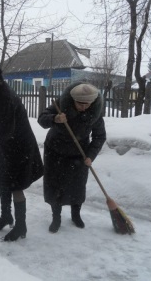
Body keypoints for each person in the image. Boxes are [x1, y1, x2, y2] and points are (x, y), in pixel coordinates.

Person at [0, 62, 44, 242]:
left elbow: (5, 130)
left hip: (19, 147)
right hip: (8, 144)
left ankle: (21, 226)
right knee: (4, 182)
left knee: (15, 185)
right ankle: (6, 216)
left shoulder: (3, 96)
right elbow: (3, 130)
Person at [37, 82, 106, 233]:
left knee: (77, 186)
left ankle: (76, 215)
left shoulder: (95, 113)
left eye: (86, 104)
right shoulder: (61, 104)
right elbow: (42, 119)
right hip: (55, 151)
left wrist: (90, 156)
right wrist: (55, 118)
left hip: (79, 153)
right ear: (73, 99)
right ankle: (56, 217)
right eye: (79, 103)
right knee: (55, 185)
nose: (83, 107)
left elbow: (99, 136)